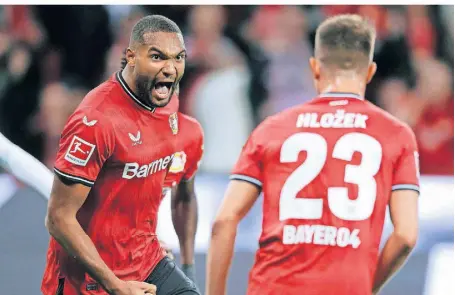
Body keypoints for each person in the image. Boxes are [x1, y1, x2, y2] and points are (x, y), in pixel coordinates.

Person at [206, 14, 419, 295]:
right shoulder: (396, 135)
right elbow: (405, 235)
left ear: (315, 68)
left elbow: (224, 220)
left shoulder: (272, 128)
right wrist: (368, 286)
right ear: (370, 72)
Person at [41, 15, 200, 295]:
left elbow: (182, 193)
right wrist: (115, 285)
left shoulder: (167, 105)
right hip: (89, 281)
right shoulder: (96, 120)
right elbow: (58, 218)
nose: (171, 69)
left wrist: (187, 266)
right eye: (157, 57)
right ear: (131, 57)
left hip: (148, 262)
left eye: (178, 58)